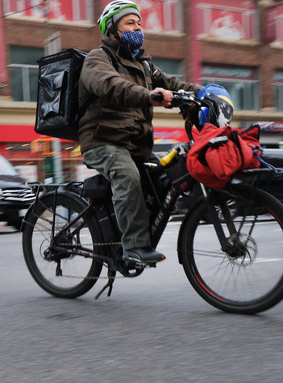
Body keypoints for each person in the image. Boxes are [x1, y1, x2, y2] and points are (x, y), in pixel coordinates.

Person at [78, 0, 203, 264]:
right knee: (127, 175)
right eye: (130, 23)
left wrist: (204, 93)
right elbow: (110, 85)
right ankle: (133, 246)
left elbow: (172, 83)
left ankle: (132, 230)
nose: (138, 28)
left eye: (139, 23)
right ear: (112, 29)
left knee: (164, 181)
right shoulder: (97, 59)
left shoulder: (144, 65)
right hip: (102, 141)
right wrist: (149, 96)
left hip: (135, 143)